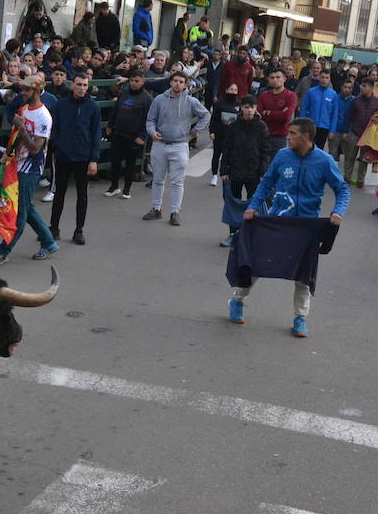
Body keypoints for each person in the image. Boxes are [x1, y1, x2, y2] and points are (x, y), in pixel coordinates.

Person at [229, 117, 349, 335]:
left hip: (306, 226)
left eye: (292, 133)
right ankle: (237, 300)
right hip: (277, 222)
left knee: (303, 276)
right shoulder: (283, 156)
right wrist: (254, 206)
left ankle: (300, 318)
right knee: (255, 263)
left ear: (305, 137)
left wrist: (338, 211)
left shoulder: (324, 161)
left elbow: (342, 189)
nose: (288, 137)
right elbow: (267, 182)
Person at [0, 74, 57, 265]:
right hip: (17, 163)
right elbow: (17, 136)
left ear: (36, 91)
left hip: (31, 168)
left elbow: (35, 149)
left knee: (20, 211)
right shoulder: (25, 109)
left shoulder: (44, 117)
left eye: (27, 90)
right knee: (27, 207)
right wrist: (8, 153)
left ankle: (3, 250)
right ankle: (49, 241)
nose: (23, 93)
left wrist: (22, 127)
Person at [143, 72, 210, 226]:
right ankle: (156, 208)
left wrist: (195, 130)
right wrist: (152, 132)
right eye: (175, 81)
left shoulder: (190, 101)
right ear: (170, 82)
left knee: (177, 181)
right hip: (160, 144)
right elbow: (150, 120)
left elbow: (206, 115)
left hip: (180, 145)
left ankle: (175, 212)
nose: (178, 84)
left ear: (185, 84)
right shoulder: (159, 100)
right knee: (158, 179)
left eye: (181, 81)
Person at [47, 73, 102, 245]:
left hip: (83, 157)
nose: (82, 88)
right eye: (79, 85)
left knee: (82, 195)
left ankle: (79, 230)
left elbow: (96, 134)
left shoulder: (93, 107)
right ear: (72, 85)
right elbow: (53, 127)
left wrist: (93, 159)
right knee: (59, 194)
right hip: (63, 155)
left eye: (85, 85)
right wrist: (58, 144)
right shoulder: (61, 105)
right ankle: (53, 228)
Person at [215, 94, 275, 247]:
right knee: (232, 205)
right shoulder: (234, 126)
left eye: (252, 107)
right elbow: (226, 149)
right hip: (235, 171)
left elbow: (265, 151)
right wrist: (224, 170)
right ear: (241, 108)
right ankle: (233, 234)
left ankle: (251, 235)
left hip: (254, 173)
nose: (249, 110)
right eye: (246, 107)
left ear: (256, 109)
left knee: (254, 204)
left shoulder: (261, 127)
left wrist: (263, 172)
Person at [103, 69, 152, 199]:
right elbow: (116, 110)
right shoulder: (124, 93)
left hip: (134, 136)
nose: (134, 83)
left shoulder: (147, 98)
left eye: (137, 81)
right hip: (119, 133)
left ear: (143, 82)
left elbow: (149, 119)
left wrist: (142, 136)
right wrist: (110, 125)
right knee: (115, 161)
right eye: (132, 80)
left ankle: (127, 189)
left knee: (130, 163)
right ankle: (114, 186)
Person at [298, 69, 340, 150]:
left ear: (329, 79)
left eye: (327, 78)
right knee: (307, 148)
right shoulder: (311, 92)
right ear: (319, 78)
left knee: (319, 150)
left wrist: (332, 130)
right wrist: (301, 126)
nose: (324, 80)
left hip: (324, 127)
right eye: (322, 77)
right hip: (311, 126)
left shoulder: (333, 94)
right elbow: (304, 109)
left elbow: (334, 113)